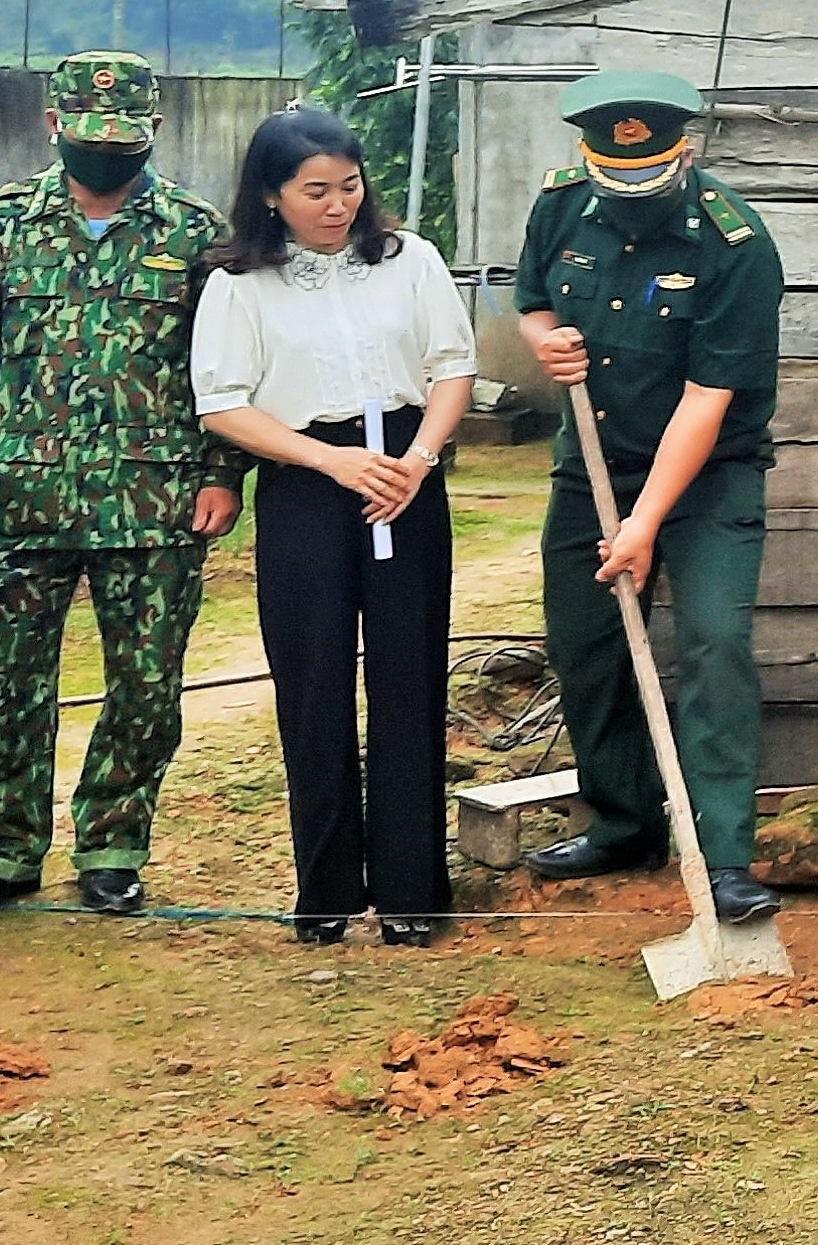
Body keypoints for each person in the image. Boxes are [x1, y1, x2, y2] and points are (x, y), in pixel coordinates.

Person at [0, 52, 243, 922]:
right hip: (21, 500)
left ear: (154, 131)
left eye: (126, 138)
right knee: (5, 684)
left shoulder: (192, 230)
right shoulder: (2, 223)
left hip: (157, 500)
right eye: (90, 135)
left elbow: (225, 371)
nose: (108, 150)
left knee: (146, 684)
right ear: (53, 125)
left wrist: (224, 474)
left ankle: (113, 843)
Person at [191, 108, 476, 944]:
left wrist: (416, 463)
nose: (336, 204)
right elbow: (223, 404)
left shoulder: (408, 260)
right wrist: (332, 462)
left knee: (410, 678)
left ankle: (414, 891)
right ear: (272, 196)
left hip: (406, 473)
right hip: (306, 485)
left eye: (348, 186)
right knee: (312, 685)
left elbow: (453, 366)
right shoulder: (240, 283)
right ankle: (325, 892)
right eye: (314, 191)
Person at [512, 71, 785, 927]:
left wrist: (643, 524)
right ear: (587, 161)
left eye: (649, 176)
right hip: (592, 462)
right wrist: (546, 344)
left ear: (685, 153)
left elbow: (707, 403)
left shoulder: (735, 245)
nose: (630, 193)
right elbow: (531, 308)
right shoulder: (559, 207)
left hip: (708, 474)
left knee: (713, 641)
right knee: (585, 639)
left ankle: (723, 853)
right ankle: (624, 822)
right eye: (614, 176)